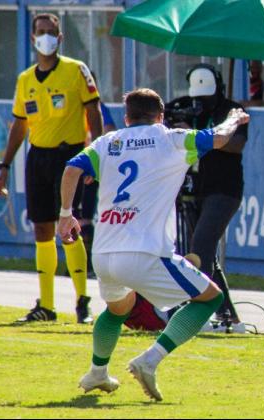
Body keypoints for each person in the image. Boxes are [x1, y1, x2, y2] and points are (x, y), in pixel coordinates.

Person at [58, 88, 249, 401]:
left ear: (127, 117)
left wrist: (66, 215)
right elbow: (218, 138)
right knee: (210, 299)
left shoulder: (109, 141)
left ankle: (97, 372)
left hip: (104, 254)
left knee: (118, 309)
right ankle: (149, 360)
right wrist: (233, 118)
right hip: (145, 251)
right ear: (160, 117)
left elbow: (71, 169)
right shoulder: (169, 138)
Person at [0, 13, 103, 324]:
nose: (45, 37)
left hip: (69, 155)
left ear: (60, 37)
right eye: (40, 32)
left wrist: (96, 153)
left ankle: (82, 300)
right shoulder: (25, 79)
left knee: (69, 226)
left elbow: (93, 110)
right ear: (32, 39)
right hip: (37, 157)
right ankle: (46, 304)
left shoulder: (75, 71)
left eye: (51, 32)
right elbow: (19, 124)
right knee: (42, 228)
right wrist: (5, 165)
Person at [164, 64, 248, 332]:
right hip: (193, 188)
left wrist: (198, 136)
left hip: (223, 190)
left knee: (201, 244)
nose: (202, 103)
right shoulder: (184, 106)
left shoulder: (231, 111)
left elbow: (236, 145)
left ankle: (198, 312)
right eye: (199, 98)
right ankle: (228, 316)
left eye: (207, 97)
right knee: (205, 255)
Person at [77, 71, 118, 277]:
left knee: (85, 215)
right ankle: (77, 263)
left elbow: (110, 128)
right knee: (73, 214)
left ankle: (87, 264)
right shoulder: (71, 104)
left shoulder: (98, 107)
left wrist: (95, 143)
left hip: (89, 166)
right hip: (72, 164)